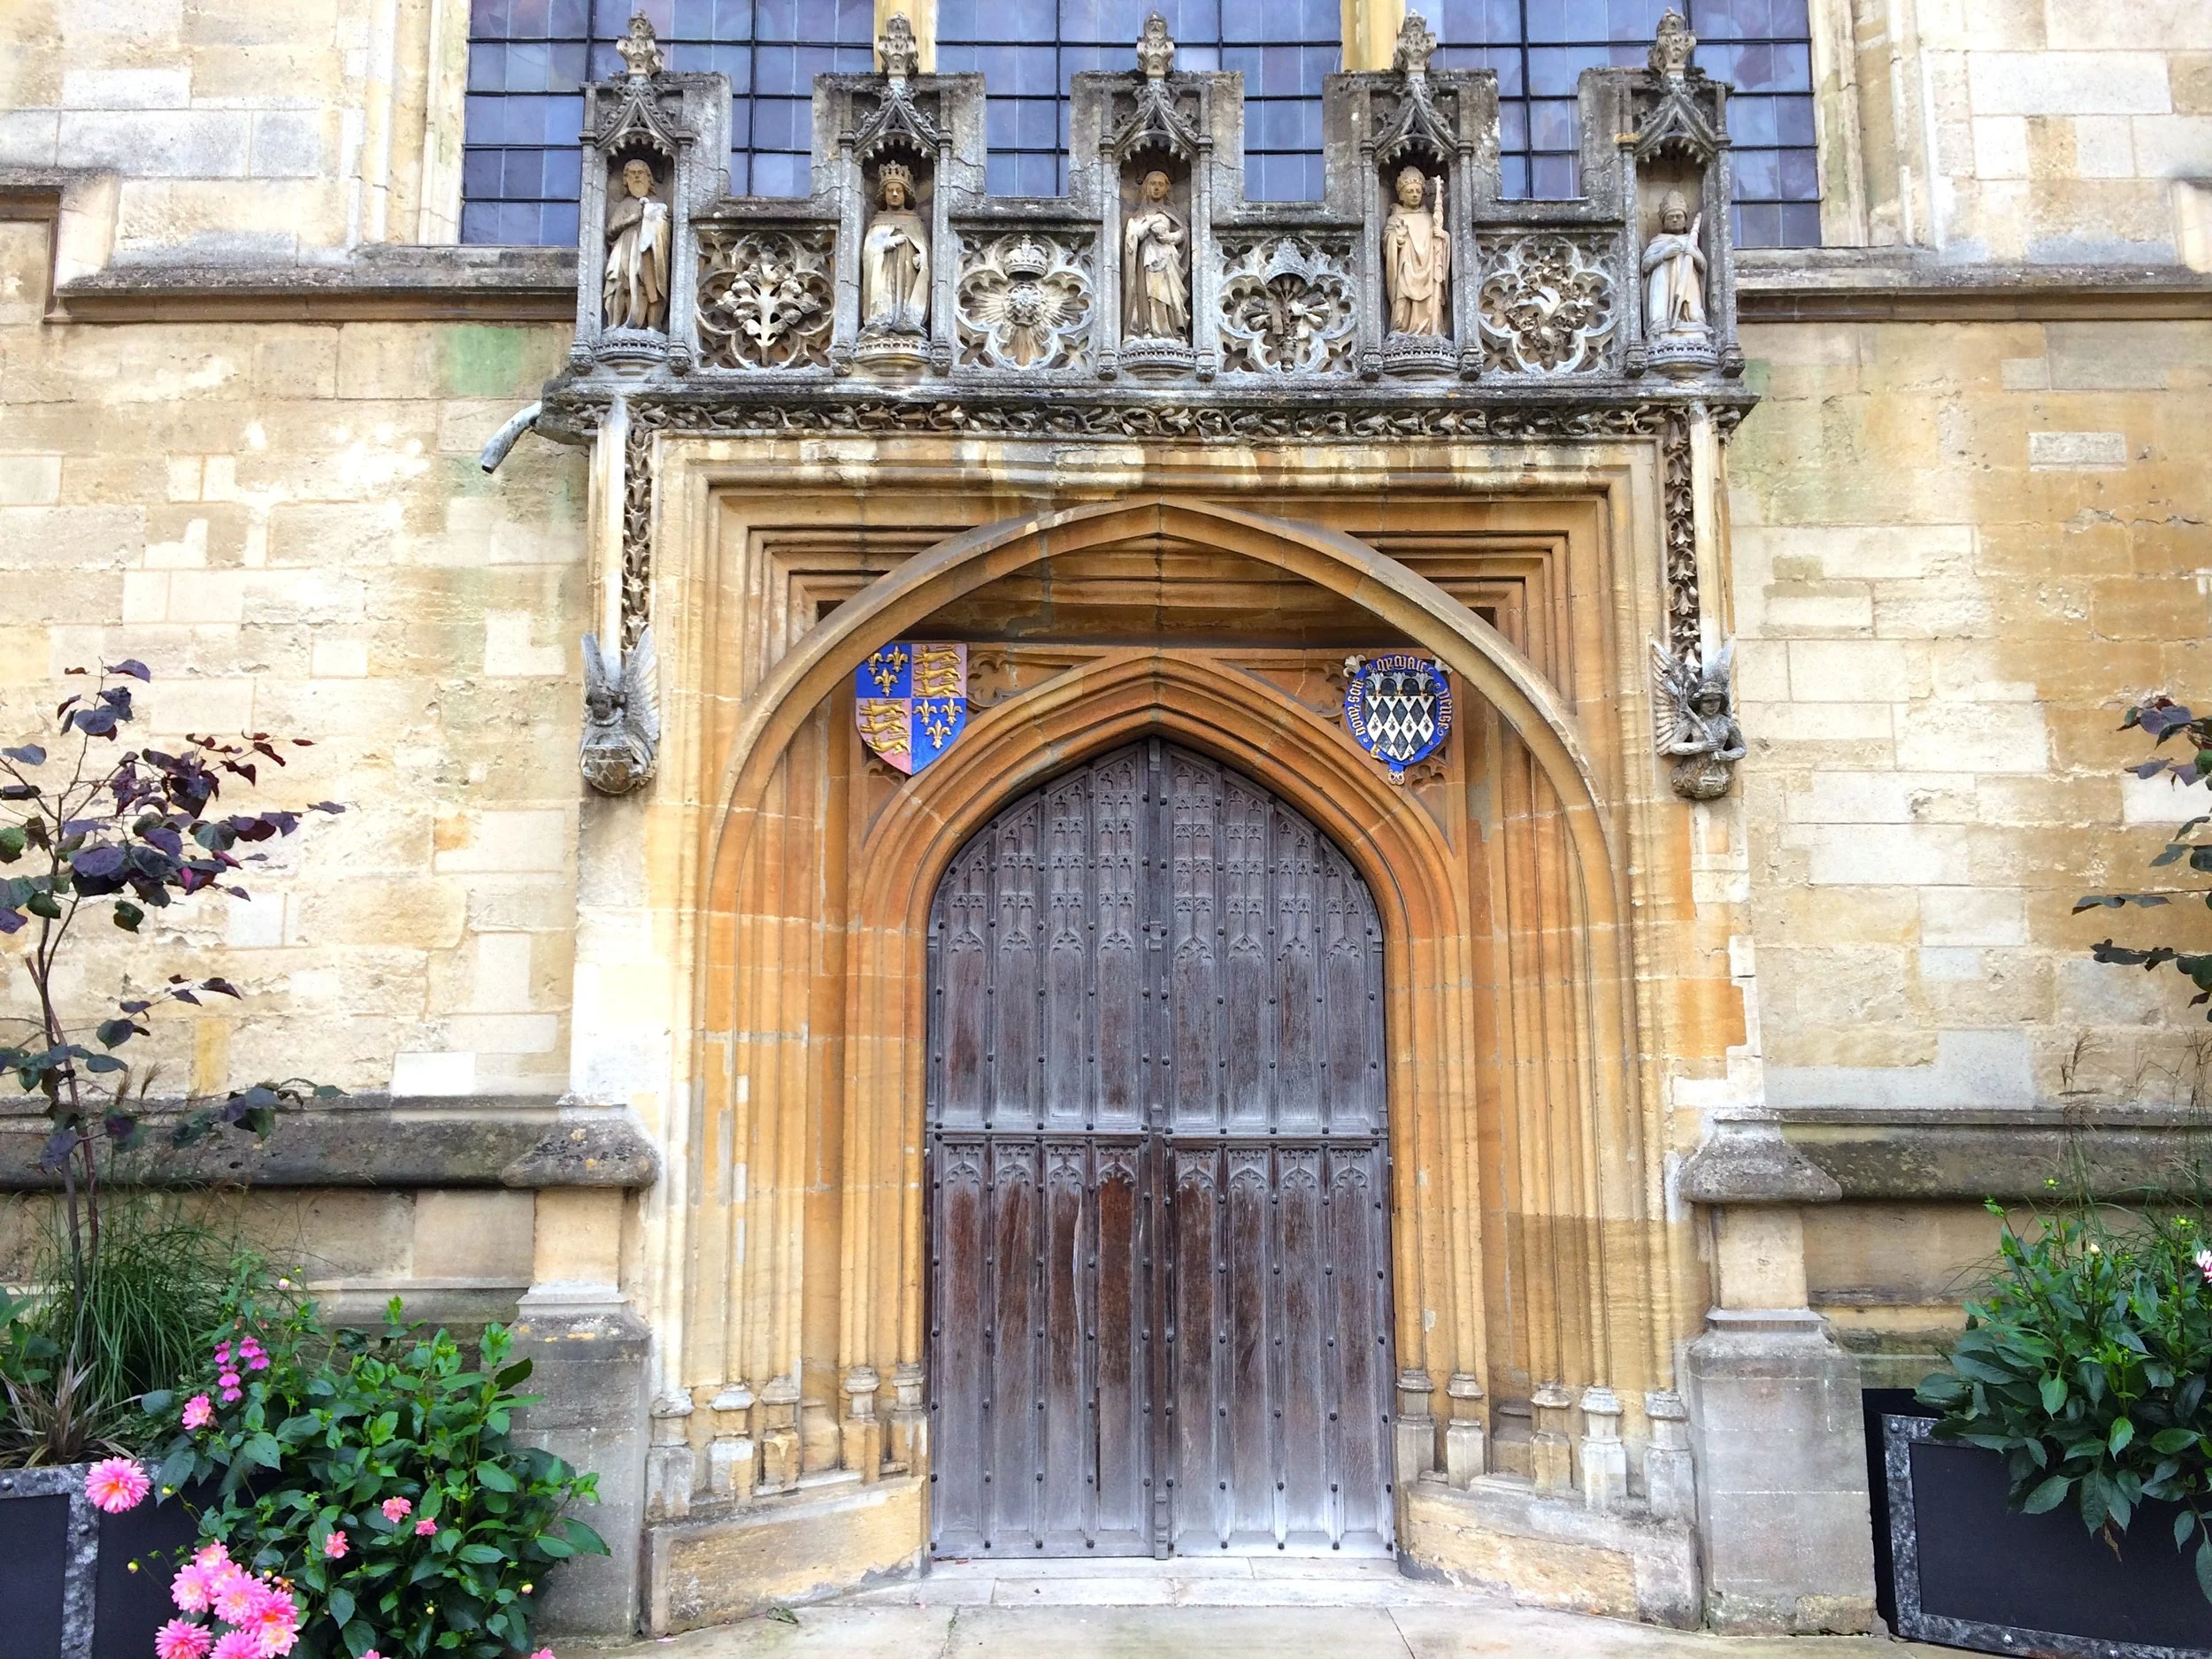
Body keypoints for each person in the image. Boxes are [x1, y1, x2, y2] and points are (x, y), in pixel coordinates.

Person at [1380, 165, 1450, 336]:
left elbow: (1439, 245)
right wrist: (1398, 238)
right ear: (1401, 195)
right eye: (1410, 191)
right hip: (1406, 268)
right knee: (1403, 298)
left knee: (1429, 302)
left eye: (1418, 191)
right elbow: (1387, 242)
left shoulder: (1430, 218)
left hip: (1428, 270)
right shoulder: (1396, 218)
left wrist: (1443, 236)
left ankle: (1431, 329)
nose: (1414, 195)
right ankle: (1401, 327)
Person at [861, 162, 931, 334]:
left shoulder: (915, 221)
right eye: (889, 190)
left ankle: (909, 321)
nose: (894, 194)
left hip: (908, 272)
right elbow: (869, 251)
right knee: (884, 292)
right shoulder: (877, 221)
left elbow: (925, 250)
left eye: (898, 191)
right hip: (885, 272)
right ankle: (881, 321)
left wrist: (922, 258)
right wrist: (888, 243)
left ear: (905, 194)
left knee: (907, 295)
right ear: (883, 194)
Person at [603, 157, 671, 332]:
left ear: (649, 178)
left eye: (640, 174)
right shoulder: (625, 205)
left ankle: (653, 325)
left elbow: (666, 232)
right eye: (632, 174)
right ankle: (615, 323)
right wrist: (630, 220)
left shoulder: (657, 206)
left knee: (649, 287)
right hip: (625, 248)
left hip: (649, 251)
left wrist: (654, 223)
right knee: (620, 283)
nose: (636, 178)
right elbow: (610, 231)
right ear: (626, 180)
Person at [1122, 169, 1189, 339]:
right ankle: (1148, 329)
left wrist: (1169, 237)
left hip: (1168, 259)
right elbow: (1132, 236)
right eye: (1153, 184)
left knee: (1170, 294)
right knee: (1150, 293)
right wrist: (1149, 224)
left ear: (1167, 188)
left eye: (1160, 184)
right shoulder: (1139, 216)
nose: (1156, 188)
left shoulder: (1173, 214)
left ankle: (1173, 331)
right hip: (1147, 260)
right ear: (1146, 187)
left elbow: (1183, 233)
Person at [1642, 190, 1709, 337]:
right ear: (1664, 220)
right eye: (1670, 217)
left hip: (1688, 285)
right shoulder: (1657, 242)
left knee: (1693, 311)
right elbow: (1645, 266)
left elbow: (1703, 267)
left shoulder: (1690, 241)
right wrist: (1663, 255)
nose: (1674, 220)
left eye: (1679, 216)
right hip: (1663, 283)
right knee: (1659, 313)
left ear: (1685, 219)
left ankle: (1691, 321)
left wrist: (1694, 254)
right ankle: (1660, 323)